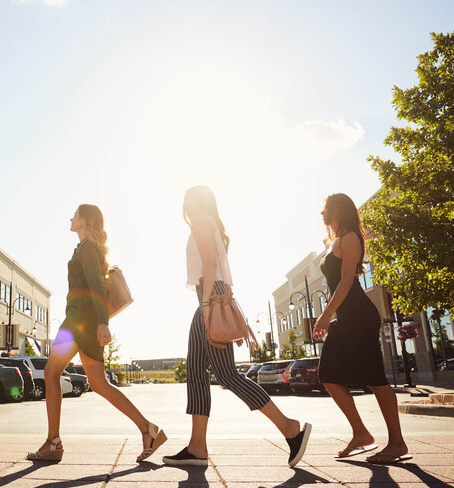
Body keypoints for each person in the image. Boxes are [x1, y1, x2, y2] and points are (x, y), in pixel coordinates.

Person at [163, 186, 310, 467]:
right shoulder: (207, 223)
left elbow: (208, 263)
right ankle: (197, 446)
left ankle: (290, 428)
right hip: (210, 296)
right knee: (195, 372)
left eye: (189, 197)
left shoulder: (203, 221)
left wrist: (206, 307)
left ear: (202, 201)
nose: (185, 202)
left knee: (228, 375)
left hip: (211, 297)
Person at [28, 204, 166, 462]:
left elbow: (96, 286)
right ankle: (148, 429)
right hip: (83, 321)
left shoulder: (88, 248)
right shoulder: (84, 247)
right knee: (99, 383)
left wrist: (103, 322)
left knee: (51, 372)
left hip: (79, 321)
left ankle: (53, 442)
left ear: (86, 221)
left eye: (76, 215)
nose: (71, 217)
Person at [311, 193, 411, 465]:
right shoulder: (336, 241)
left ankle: (397, 443)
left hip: (359, 316)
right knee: (329, 374)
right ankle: (361, 433)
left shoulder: (351, 238)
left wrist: (325, 315)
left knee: (375, 378)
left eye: (325, 210)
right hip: (346, 317)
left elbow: (345, 282)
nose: (322, 216)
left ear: (338, 210)